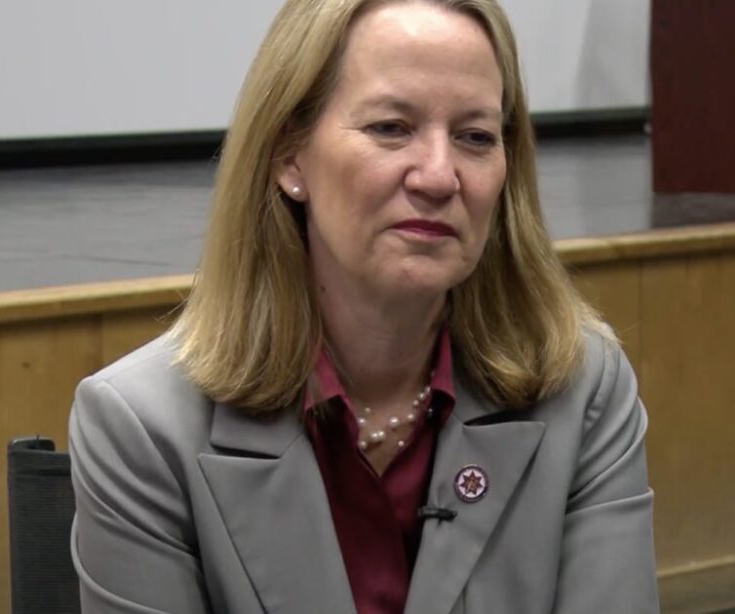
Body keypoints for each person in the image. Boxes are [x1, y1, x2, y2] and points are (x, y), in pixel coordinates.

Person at [67, 0, 658, 612]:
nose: (439, 176)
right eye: (391, 128)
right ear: (289, 154)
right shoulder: (144, 426)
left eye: (475, 137)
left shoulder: (583, 390)